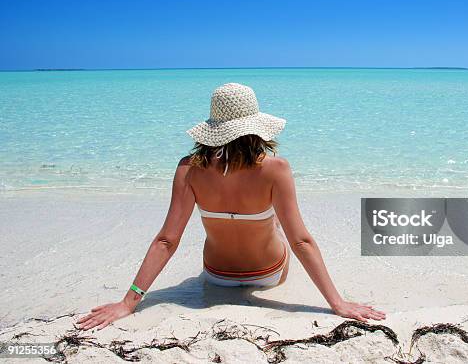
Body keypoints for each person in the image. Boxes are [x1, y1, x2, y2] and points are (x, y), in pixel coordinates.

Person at [77, 83, 385, 331]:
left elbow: (166, 240)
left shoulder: (189, 169)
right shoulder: (276, 169)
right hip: (269, 273)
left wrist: (128, 303)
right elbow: (301, 241)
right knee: (274, 221)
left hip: (216, 275)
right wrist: (337, 303)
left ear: (213, 128)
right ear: (256, 127)